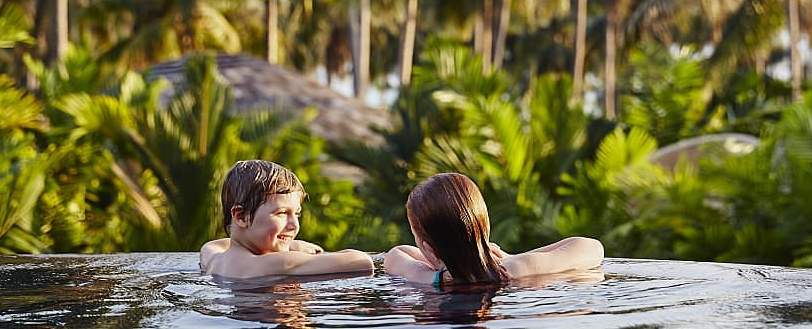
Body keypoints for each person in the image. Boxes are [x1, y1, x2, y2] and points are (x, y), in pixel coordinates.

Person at [384, 172, 604, 287]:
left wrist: (434, 273)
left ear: (428, 249)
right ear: (485, 226)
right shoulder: (515, 268)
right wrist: (512, 257)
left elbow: (395, 255)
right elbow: (593, 248)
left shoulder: (425, 279)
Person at [199, 159, 374, 279]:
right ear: (241, 216)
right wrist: (293, 251)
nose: (294, 225)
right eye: (281, 213)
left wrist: (292, 244)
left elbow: (213, 245)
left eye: (296, 214)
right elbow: (362, 262)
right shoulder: (275, 264)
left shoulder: (215, 259)